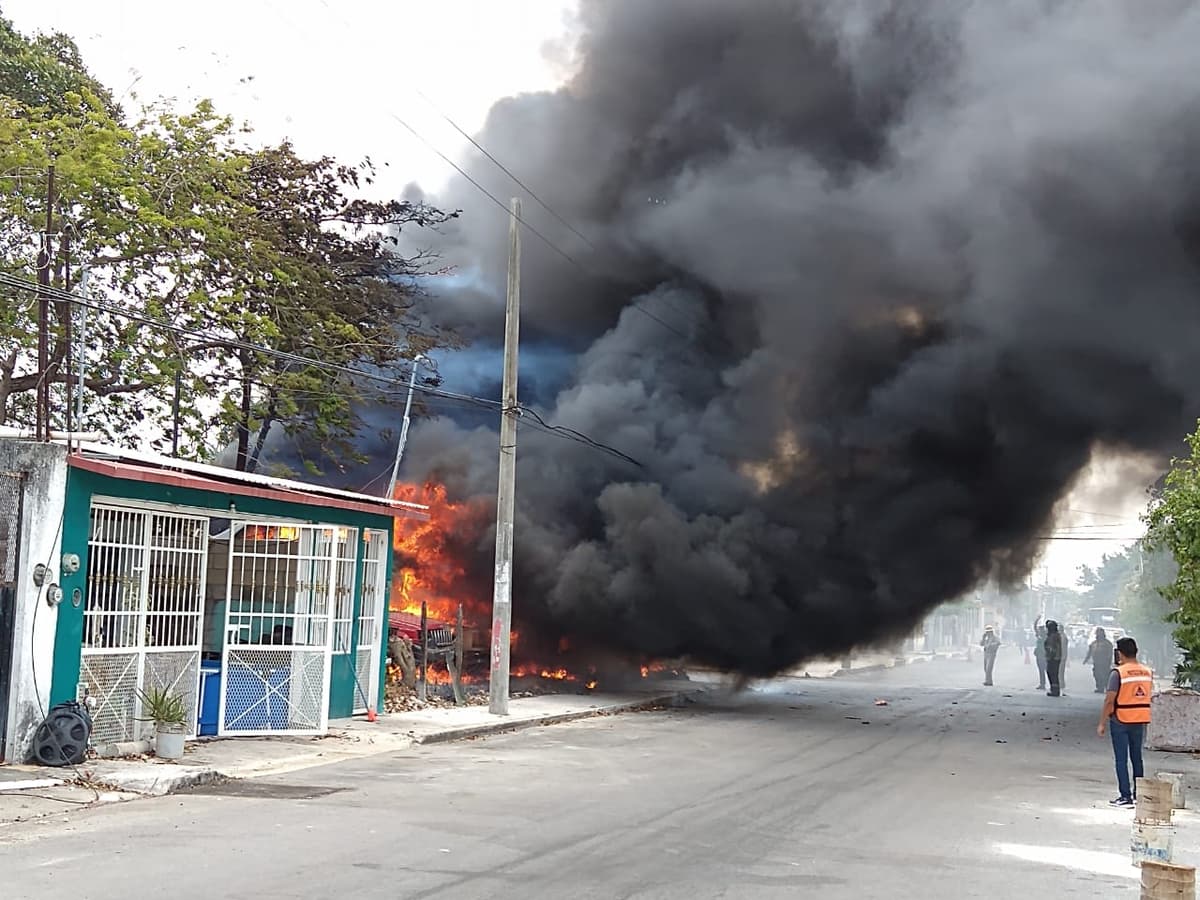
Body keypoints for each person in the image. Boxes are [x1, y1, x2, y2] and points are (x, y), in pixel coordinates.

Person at [1097, 636, 1153, 807]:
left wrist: (1102, 722)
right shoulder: (1147, 672)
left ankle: (1125, 796)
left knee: (1121, 759)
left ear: (1120, 653)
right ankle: (1138, 794)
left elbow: (1109, 700)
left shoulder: (1118, 673)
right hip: (1140, 719)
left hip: (1121, 720)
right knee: (1137, 758)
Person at [1083, 627, 1115, 693]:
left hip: (1105, 663)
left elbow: (1110, 653)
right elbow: (1089, 652)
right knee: (1096, 675)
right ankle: (1099, 687)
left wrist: (1109, 661)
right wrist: (1086, 660)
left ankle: (1106, 687)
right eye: (1097, 633)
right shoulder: (1093, 643)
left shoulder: (1107, 643)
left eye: (1099, 633)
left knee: (1105, 675)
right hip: (1096, 662)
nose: (1098, 635)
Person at [1044, 620, 1064, 696]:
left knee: (1053, 674)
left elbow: (1053, 648)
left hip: (1054, 657)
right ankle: (1054, 689)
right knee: (1052, 673)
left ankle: (1055, 690)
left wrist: (1051, 656)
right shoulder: (1054, 635)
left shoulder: (1054, 636)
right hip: (1053, 657)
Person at [1033, 618, 1048, 690]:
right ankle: (1042, 684)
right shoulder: (1039, 637)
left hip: (1044, 656)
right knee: (1041, 671)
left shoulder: (1046, 638)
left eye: (1040, 630)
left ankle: (1050, 684)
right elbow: (1034, 628)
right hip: (1039, 656)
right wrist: (1037, 619)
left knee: (1046, 670)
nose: (1039, 631)